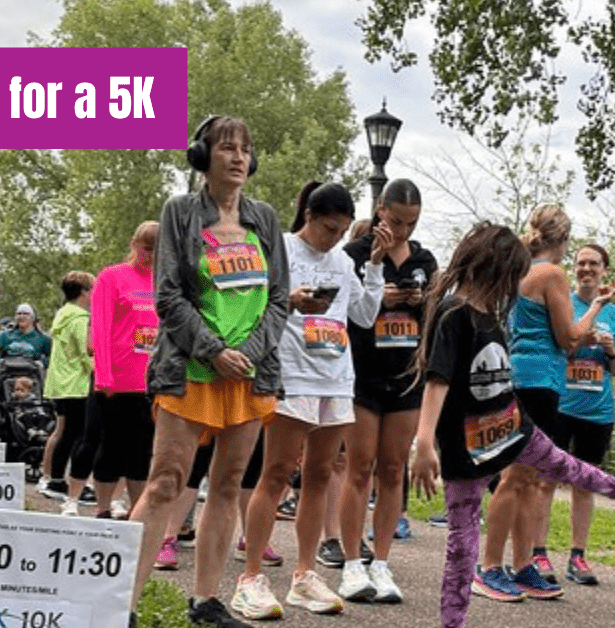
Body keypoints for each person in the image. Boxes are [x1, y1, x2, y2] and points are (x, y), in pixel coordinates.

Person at [409, 223, 615, 628]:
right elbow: (438, 381)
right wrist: (423, 442)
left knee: (570, 466)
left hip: (512, 426)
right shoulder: (456, 314)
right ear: (492, 271)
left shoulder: (491, 313)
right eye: (510, 279)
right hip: (466, 445)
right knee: (461, 547)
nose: (512, 290)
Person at [127, 116, 287, 628]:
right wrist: (214, 350)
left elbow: (279, 299)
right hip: (191, 369)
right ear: (203, 156)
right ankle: (119, 603)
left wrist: (252, 353)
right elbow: (167, 294)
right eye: (226, 148)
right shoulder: (180, 212)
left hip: (249, 374)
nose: (238, 157)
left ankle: (206, 601)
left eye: (245, 149)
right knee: (166, 482)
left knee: (228, 483)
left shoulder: (264, 218)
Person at [233, 181, 389, 619]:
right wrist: (290, 300)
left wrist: (374, 265)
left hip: (336, 377)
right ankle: (251, 576)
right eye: (328, 228)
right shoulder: (280, 248)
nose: (334, 238)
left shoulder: (342, 260)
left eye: (341, 231)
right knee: (278, 471)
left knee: (320, 474)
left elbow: (363, 315)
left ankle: (304, 575)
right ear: (308, 217)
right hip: (292, 374)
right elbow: (248, 303)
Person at [477, 204, 602, 600]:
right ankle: (489, 568)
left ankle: (523, 564)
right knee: (517, 477)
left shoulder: (518, 271)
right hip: (536, 381)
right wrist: (596, 308)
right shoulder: (551, 273)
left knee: (530, 478)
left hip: (521, 377)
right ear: (563, 240)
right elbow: (568, 337)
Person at [338, 177, 436, 604]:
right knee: (359, 468)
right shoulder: (354, 255)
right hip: (362, 374)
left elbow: (438, 313)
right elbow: (341, 311)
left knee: (393, 470)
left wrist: (420, 301)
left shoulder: (424, 259)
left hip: (406, 377)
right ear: (380, 209)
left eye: (411, 224)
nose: (402, 231)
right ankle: (351, 563)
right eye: (397, 221)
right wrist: (381, 298)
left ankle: (381, 561)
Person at [550, 244, 615, 587]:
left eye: (593, 264)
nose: (586, 269)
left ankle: (577, 556)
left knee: (585, 483)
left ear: (604, 270)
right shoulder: (562, 303)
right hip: (561, 406)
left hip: (598, 411)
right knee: (544, 479)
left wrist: (610, 350)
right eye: (581, 263)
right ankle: (538, 553)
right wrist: (582, 341)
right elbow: (558, 347)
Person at [77, 221, 160, 520]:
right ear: (133, 243)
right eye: (147, 248)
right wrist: (104, 375)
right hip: (116, 380)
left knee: (142, 449)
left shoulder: (164, 282)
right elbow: (100, 327)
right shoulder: (112, 277)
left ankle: (138, 514)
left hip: (151, 381)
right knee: (111, 445)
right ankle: (103, 508)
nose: (151, 256)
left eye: (158, 250)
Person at [39, 270, 94, 505]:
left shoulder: (62, 314)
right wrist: (100, 372)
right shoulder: (81, 319)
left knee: (64, 432)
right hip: (77, 383)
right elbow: (86, 351)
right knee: (79, 435)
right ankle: (69, 483)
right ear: (83, 292)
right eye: (92, 289)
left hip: (60, 382)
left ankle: (55, 479)